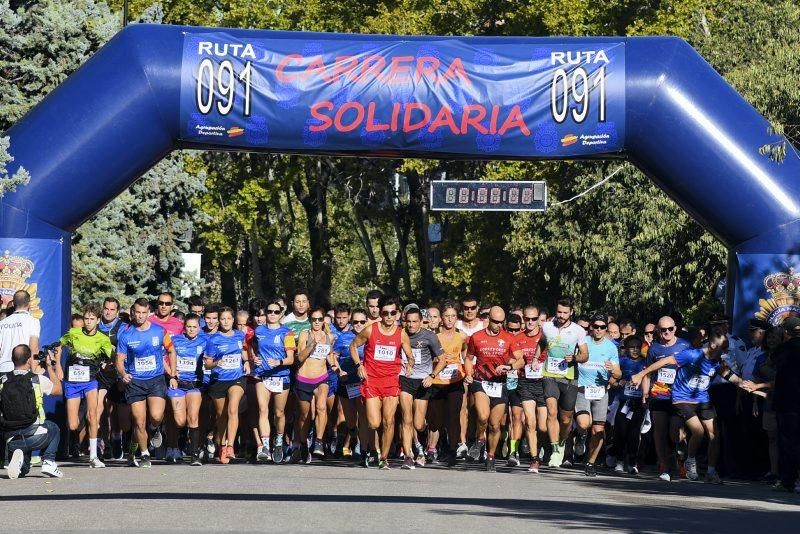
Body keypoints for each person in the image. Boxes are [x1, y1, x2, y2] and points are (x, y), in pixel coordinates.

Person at [631, 327, 759, 484]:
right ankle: (690, 460)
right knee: (697, 431)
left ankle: (711, 472)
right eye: (723, 349)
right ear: (712, 345)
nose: (725, 352)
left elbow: (730, 375)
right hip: (682, 399)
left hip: (702, 399)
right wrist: (640, 374)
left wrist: (745, 384)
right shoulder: (692, 355)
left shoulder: (717, 362)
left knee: (714, 435)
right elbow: (662, 362)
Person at [350, 294, 414, 470]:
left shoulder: (402, 334)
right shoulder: (371, 329)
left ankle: (384, 458)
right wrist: (358, 365)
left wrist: (410, 364)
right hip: (371, 381)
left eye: (392, 313)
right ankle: (374, 449)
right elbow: (353, 346)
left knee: (389, 421)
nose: (389, 316)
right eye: (385, 312)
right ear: (381, 312)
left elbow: (410, 356)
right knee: (374, 423)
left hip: (392, 382)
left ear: (397, 314)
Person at [115, 298, 177, 468]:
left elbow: (171, 350)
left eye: (144, 313)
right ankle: (144, 454)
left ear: (149, 313)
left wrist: (173, 374)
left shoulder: (159, 331)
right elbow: (119, 360)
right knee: (138, 421)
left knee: (156, 417)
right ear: (133, 313)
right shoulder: (126, 335)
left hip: (156, 379)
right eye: (137, 313)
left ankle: (155, 428)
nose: (141, 316)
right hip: (135, 382)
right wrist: (123, 374)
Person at [58, 302, 114, 468]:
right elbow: (59, 347)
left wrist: (108, 363)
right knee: (73, 424)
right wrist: (59, 367)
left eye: (92, 319)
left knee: (92, 416)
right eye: (86, 318)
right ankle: (83, 445)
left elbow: (115, 354)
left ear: (98, 320)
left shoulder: (102, 338)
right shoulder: (74, 333)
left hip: (90, 381)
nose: (88, 321)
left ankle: (93, 456)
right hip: (73, 381)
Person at [464, 306, 518, 472]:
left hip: (500, 384)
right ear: (488, 320)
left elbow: (520, 360)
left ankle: (491, 457)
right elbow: (469, 357)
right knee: (482, 415)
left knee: (495, 425)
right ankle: (480, 439)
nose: (499, 325)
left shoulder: (508, 338)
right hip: (481, 382)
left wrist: (510, 367)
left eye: (502, 322)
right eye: (495, 322)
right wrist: (468, 373)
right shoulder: (476, 337)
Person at [2, 344, 64, 479]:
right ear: (29, 360)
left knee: (23, 471)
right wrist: (49, 367)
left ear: (13, 360)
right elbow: (58, 390)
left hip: (10, 438)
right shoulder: (37, 380)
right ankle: (48, 461)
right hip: (35, 435)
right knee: (54, 428)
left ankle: (20, 460)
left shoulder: (2, 381)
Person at [541, 296, 588, 467]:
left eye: (565, 313)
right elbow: (541, 343)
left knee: (566, 420)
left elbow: (585, 355)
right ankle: (554, 450)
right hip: (549, 374)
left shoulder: (578, 331)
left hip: (569, 377)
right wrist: (536, 358)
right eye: (559, 312)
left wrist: (575, 357)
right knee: (552, 412)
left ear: (571, 312)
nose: (561, 315)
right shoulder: (547, 326)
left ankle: (562, 442)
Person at [643, 315, 691, 481]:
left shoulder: (685, 346)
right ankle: (665, 466)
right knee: (660, 431)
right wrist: (645, 393)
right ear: (658, 331)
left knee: (675, 433)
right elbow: (647, 373)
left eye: (670, 329)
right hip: (658, 395)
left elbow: (693, 369)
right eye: (663, 330)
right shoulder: (654, 349)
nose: (667, 332)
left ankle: (681, 452)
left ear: (675, 329)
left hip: (679, 395)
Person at [575, 314, 621, 477]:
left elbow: (618, 373)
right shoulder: (583, 342)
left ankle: (591, 462)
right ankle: (581, 435)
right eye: (596, 326)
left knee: (599, 430)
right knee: (583, 423)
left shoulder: (611, 347)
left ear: (606, 329)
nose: (599, 330)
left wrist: (613, 370)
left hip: (601, 391)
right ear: (591, 327)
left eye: (602, 327)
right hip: (582, 388)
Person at [399, 305, 444, 470]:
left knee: (418, 424)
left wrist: (432, 376)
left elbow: (442, 360)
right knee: (406, 419)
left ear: (421, 322)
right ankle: (408, 456)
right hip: (404, 379)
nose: (411, 325)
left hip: (422, 382)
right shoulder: (400, 334)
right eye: (408, 322)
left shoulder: (429, 336)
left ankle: (422, 441)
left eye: (414, 322)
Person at [251, 299, 295, 464]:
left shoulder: (287, 333)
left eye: (276, 312)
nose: (272, 315)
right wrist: (254, 358)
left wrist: (279, 362)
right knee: (263, 410)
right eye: (269, 311)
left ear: (281, 313)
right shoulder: (259, 330)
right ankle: (265, 447)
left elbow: (291, 359)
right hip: (262, 376)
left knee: (279, 413)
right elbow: (253, 348)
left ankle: (278, 440)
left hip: (281, 376)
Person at [290, 307, 335, 462]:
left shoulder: (328, 336)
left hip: (322, 378)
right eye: (314, 319)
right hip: (304, 379)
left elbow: (329, 357)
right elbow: (300, 358)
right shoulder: (305, 334)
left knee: (322, 407)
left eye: (320, 319)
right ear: (310, 320)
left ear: (324, 320)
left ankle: (319, 442)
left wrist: (337, 368)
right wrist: (312, 344)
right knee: (305, 415)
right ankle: (303, 443)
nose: (317, 322)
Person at [204, 306, 247, 464]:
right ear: (218, 321)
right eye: (222, 319)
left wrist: (247, 361)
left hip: (237, 378)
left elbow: (243, 351)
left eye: (229, 318)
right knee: (221, 416)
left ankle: (230, 446)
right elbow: (207, 364)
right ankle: (221, 445)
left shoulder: (239, 335)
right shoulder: (213, 340)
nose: (226, 321)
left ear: (233, 320)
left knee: (233, 408)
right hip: (219, 381)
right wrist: (216, 363)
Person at [510, 305, 548, 473]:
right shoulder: (518, 338)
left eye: (534, 319)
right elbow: (515, 359)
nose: (530, 322)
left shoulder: (547, 337)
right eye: (527, 319)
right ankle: (534, 458)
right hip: (525, 383)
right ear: (523, 319)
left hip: (544, 383)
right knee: (530, 422)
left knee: (543, 426)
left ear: (539, 319)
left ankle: (542, 446)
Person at [429, 302, 468, 467]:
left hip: (455, 381)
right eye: (446, 316)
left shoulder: (463, 336)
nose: (450, 320)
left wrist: (465, 370)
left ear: (457, 318)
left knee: (453, 417)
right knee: (437, 420)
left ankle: (452, 450)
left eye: (453, 316)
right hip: (437, 382)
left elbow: (465, 353)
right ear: (441, 318)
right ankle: (442, 445)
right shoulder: (433, 336)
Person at [169, 314, 207, 465]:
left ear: (199, 328)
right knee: (180, 421)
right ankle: (178, 442)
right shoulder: (176, 340)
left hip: (194, 385)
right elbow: (165, 358)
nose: (191, 330)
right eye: (189, 327)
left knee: (193, 417)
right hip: (178, 384)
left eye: (194, 327)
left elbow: (211, 358)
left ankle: (195, 454)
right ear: (184, 327)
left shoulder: (204, 341)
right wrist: (172, 374)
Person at [768, 316, 800, 492]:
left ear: (786, 332)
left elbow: (771, 364)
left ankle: (788, 480)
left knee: (788, 443)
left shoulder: (784, 349)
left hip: (788, 404)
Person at [332, 308, 367, 459]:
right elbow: (333, 357)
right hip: (347, 383)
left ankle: (361, 445)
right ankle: (353, 433)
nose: (358, 325)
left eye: (362, 322)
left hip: (363, 383)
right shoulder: (343, 338)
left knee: (364, 415)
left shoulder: (370, 338)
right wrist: (339, 371)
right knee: (350, 419)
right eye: (356, 322)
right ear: (351, 322)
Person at [611, 335, 647, 474]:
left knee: (634, 433)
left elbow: (648, 380)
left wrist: (645, 396)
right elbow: (613, 380)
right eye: (632, 347)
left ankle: (632, 462)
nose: (635, 350)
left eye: (638, 347)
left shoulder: (645, 363)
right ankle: (619, 461)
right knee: (620, 432)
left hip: (638, 403)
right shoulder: (622, 361)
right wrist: (618, 383)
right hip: (622, 402)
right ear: (626, 349)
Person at [0, 290, 41, 374]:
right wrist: (34, 370)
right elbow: (34, 348)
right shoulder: (33, 321)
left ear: (14, 304)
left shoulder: (2, 323)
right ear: (29, 304)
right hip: (22, 371)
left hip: (3, 370)